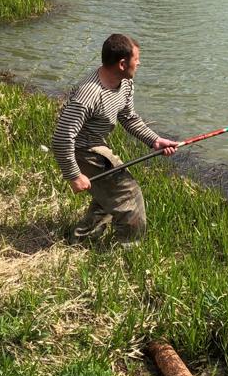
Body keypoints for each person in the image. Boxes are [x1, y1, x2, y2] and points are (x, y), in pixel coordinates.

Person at [52, 33, 177, 244]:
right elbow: (62, 138)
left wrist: (155, 141)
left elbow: (128, 117)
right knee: (129, 197)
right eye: (136, 59)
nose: (139, 63)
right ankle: (128, 250)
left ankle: (82, 239)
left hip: (97, 146)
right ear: (122, 64)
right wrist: (73, 175)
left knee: (109, 197)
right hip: (83, 151)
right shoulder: (89, 94)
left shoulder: (125, 84)